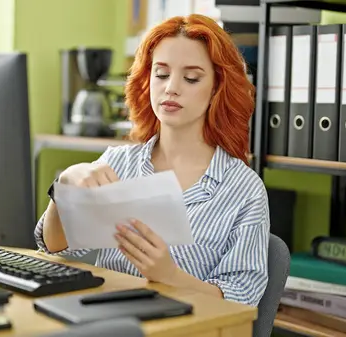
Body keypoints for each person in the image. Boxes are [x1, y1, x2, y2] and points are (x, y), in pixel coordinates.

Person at [34, 14, 270, 307]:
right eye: (161, 74)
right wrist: (63, 186)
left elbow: (242, 300)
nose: (172, 87)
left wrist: (169, 275)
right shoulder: (118, 163)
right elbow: (56, 247)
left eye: (191, 78)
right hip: (109, 320)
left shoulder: (244, 189)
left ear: (216, 88)